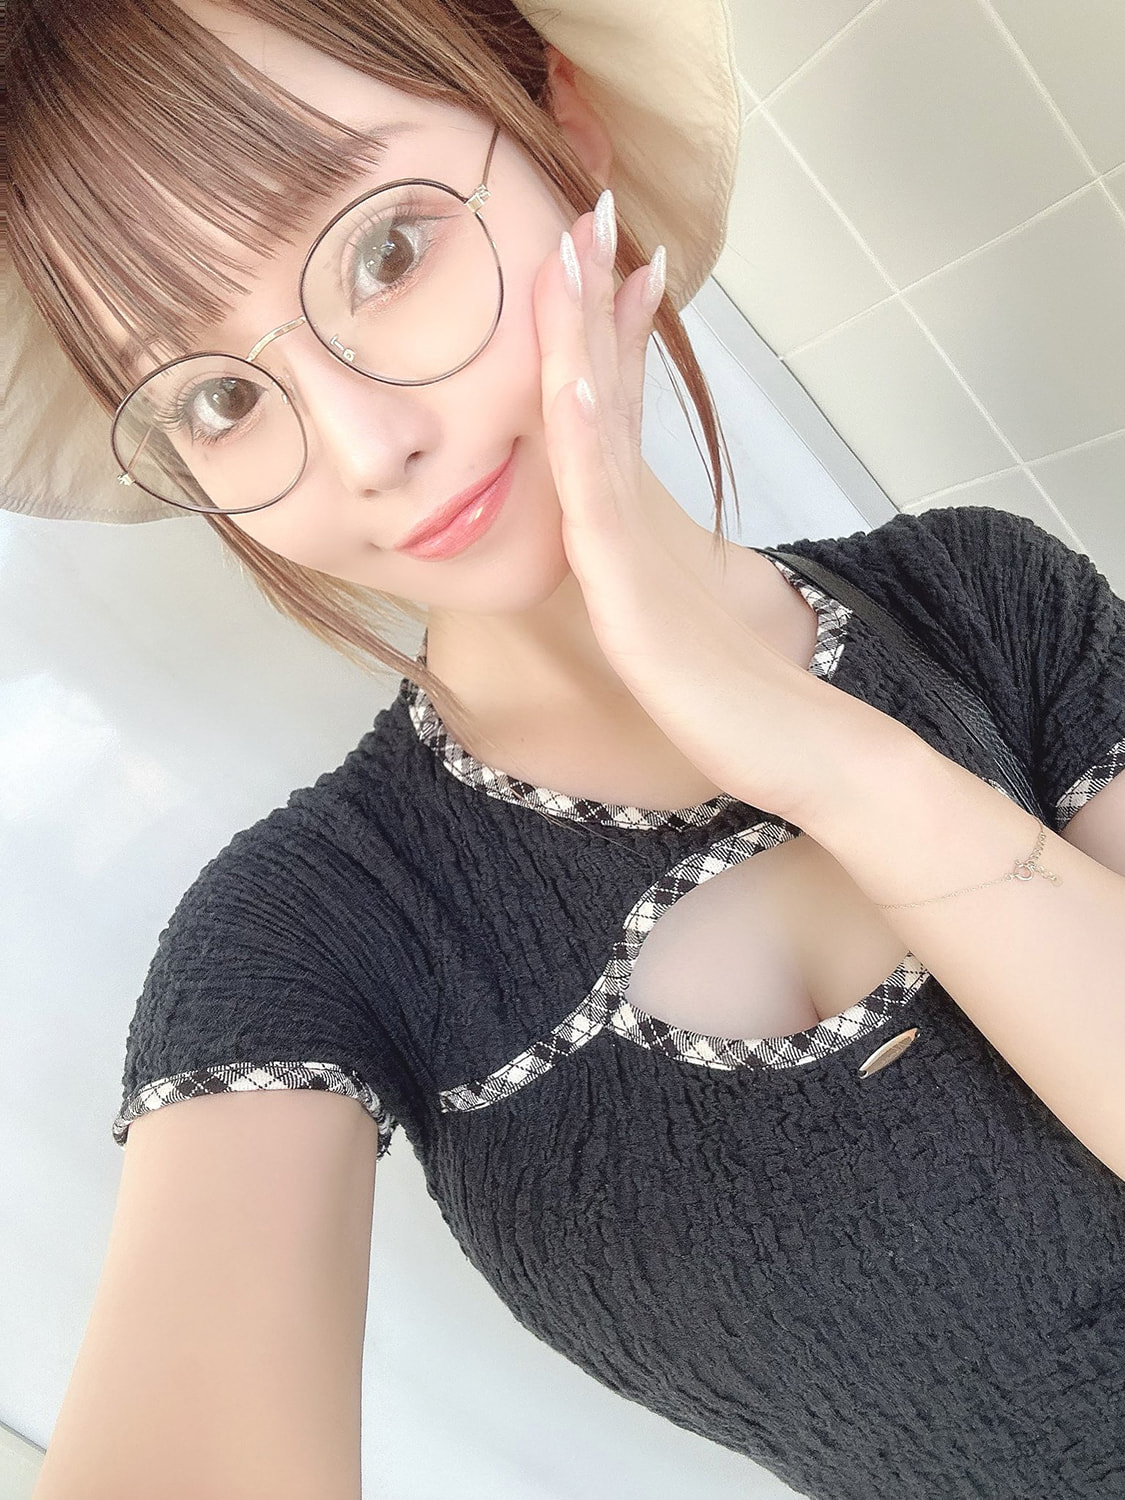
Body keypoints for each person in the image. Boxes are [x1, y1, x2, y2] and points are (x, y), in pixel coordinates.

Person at [8, 1, 1125, 1495]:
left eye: (385, 253)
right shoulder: (308, 938)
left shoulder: (986, 600)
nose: (364, 449)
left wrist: (818, 752)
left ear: (568, 125)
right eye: (220, 398)